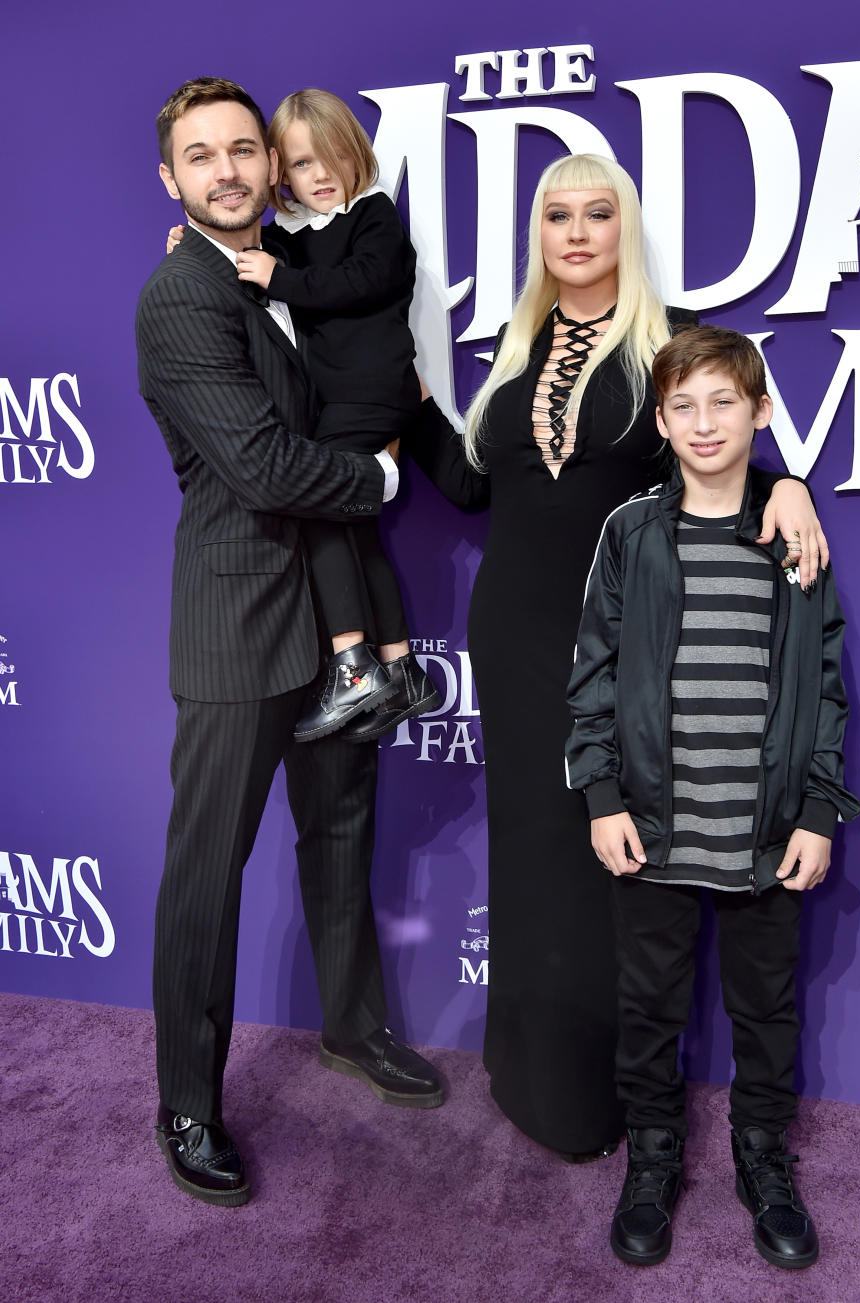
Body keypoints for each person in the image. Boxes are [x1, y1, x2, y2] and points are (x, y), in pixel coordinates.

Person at [405, 154, 829, 1160]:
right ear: (540, 235)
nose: (579, 231)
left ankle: (610, 1101)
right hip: (509, 634)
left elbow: (715, 444)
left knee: (613, 858)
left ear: (624, 228)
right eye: (559, 214)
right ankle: (527, 1069)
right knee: (530, 848)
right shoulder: (517, 350)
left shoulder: (666, 346)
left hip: (625, 637)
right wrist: (407, 397)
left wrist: (788, 486)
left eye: (599, 212)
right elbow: (471, 488)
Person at [137, 77, 442, 1208]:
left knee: (343, 832)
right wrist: (374, 475)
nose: (226, 169)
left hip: (334, 615)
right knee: (204, 880)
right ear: (171, 180)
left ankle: (353, 1027)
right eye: (200, 157)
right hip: (236, 621)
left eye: (241, 150)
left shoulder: (291, 278)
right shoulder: (180, 298)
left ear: (271, 165)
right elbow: (262, 465)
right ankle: (185, 1102)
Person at [565, 325, 860, 1267]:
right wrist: (603, 792)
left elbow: (826, 684)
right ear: (661, 419)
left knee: (766, 1008)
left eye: (723, 403)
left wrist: (818, 809)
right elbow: (593, 676)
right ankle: (653, 1158)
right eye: (683, 406)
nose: (703, 423)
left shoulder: (793, 533)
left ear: (760, 413)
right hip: (654, 825)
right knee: (649, 1004)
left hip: (765, 829)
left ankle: (762, 1156)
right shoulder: (632, 533)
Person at [168, 88, 439, 742]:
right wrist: (199, 250)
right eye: (297, 165)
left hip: (370, 394)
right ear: (278, 175)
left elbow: (361, 282)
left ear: (356, 155)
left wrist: (274, 276)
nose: (316, 177)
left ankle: (353, 665)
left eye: (328, 159)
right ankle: (400, 669)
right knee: (353, 529)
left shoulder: (375, 216)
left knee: (318, 509)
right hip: (343, 397)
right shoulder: (298, 241)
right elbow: (258, 267)